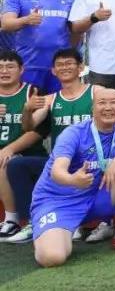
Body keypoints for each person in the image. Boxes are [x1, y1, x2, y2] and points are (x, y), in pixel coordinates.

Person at [31, 88, 115, 267]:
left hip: (94, 196)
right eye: (102, 103)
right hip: (59, 203)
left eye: (114, 103)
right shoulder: (73, 133)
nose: (108, 107)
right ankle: (51, 232)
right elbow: (57, 171)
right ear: (92, 109)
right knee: (52, 258)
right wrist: (73, 180)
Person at [3, 49, 98, 244]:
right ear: (53, 71)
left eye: (69, 63)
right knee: (16, 165)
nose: (64, 68)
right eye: (60, 65)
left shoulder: (96, 92)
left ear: (81, 67)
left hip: (92, 161)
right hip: (59, 163)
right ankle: (33, 222)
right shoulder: (50, 99)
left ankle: (82, 223)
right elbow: (29, 126)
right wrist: (27, 110)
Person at [1, 0, 75, 93]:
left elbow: (75, 31)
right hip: (28, 65)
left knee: (57, 105)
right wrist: (26, 20)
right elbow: (6, 24)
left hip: (60, 67)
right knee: (29, 104)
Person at [0, 51, 46, 241]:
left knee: (4, 160)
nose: (4, 71)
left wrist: (10, 148)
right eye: (0, 67)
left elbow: (38, 131)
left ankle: (12, 219)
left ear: (21, 70)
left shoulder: (32, 92)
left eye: (10, 67)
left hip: (27, 154)